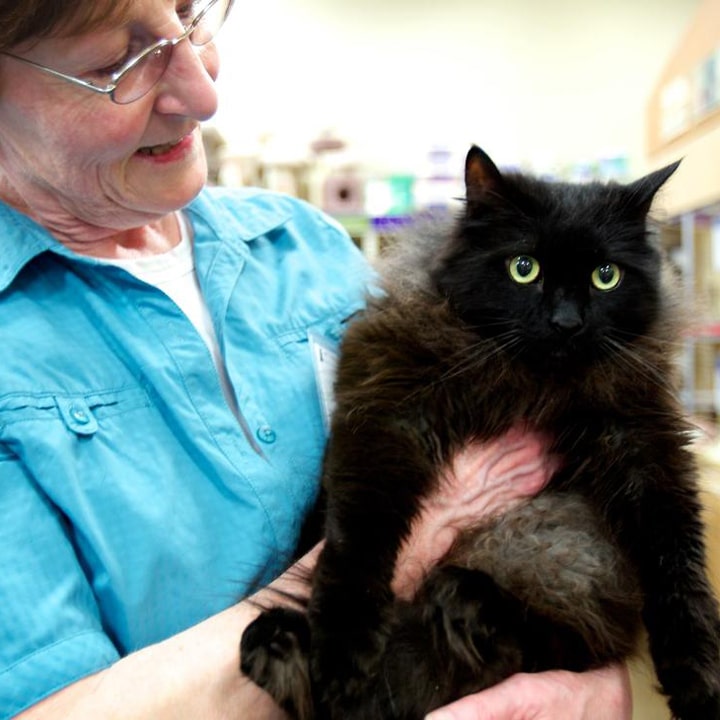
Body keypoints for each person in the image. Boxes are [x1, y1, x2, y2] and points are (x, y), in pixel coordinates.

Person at [0, 0, 632, 718]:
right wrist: (411, 535)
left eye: (188, 15)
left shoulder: (306, 247)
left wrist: (587, 684)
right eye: (116, 62)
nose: (204, 93)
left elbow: (556, 486)